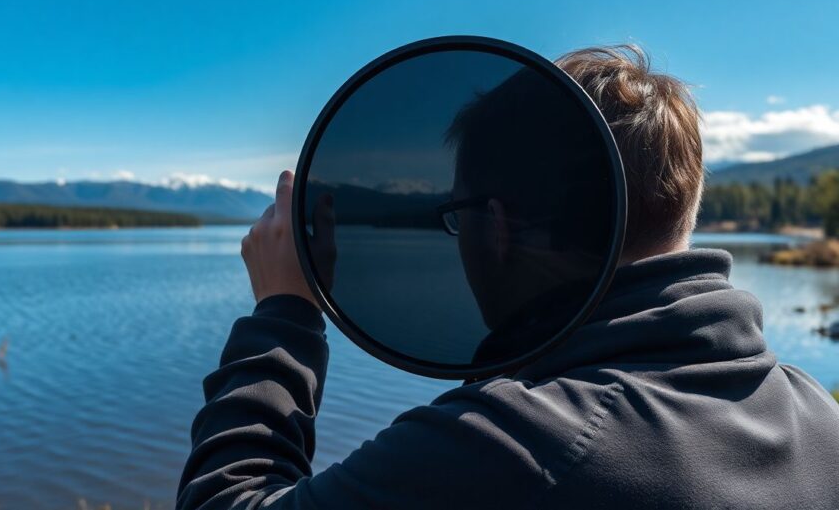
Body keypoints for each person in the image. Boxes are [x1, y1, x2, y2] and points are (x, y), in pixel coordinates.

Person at [176, 46, 839, 509]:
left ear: (493, 224)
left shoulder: (515, 442)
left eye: (456, 216)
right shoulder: (815, 413)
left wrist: (284, 313)